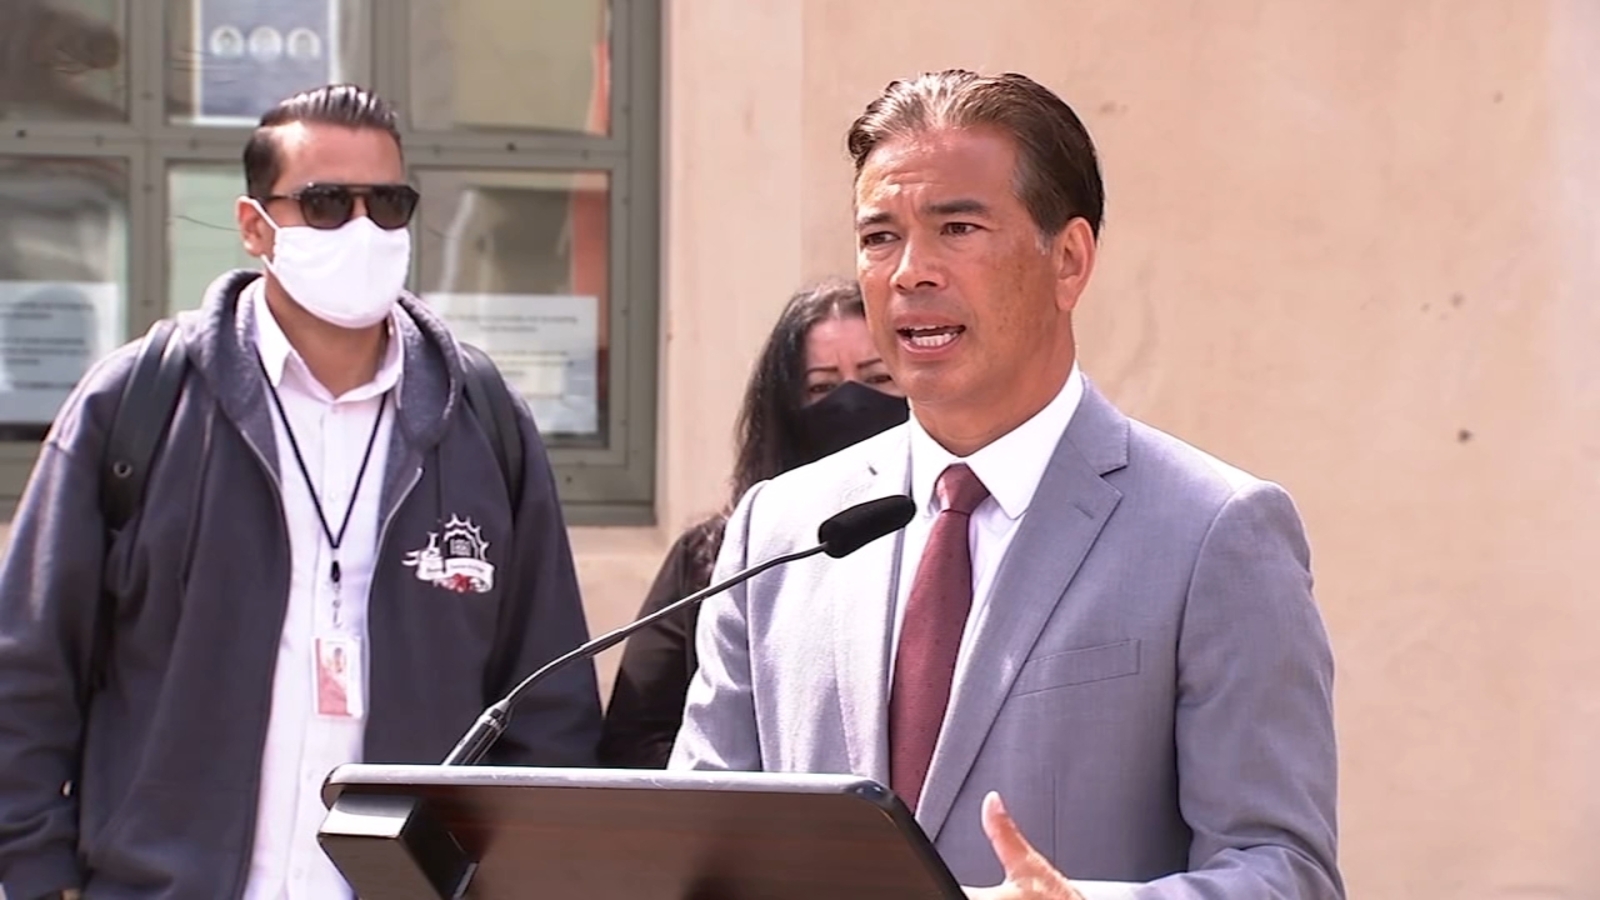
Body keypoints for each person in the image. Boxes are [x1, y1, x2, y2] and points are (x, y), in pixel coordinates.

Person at [669, 70, 1343, 900]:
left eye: (957, 228)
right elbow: (699, 850)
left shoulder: (1215, 531)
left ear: (1070, 260)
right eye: (879, 237)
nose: (910, 272)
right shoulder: (782, 528)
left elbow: (1286, 873)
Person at [0, 84, 603, 900]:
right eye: (325, 204)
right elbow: (28, 675)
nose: (363, 229)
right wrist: (36, 878)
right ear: (255, 226)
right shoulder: (140, 405)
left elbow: (549, 701)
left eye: (387, 205)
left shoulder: (481, 422)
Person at [599, 279, 908, 767]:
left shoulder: (952, 534)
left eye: (877, 378)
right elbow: (638, 737)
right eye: (821, 387)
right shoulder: (716, 553)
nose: (851, 402)